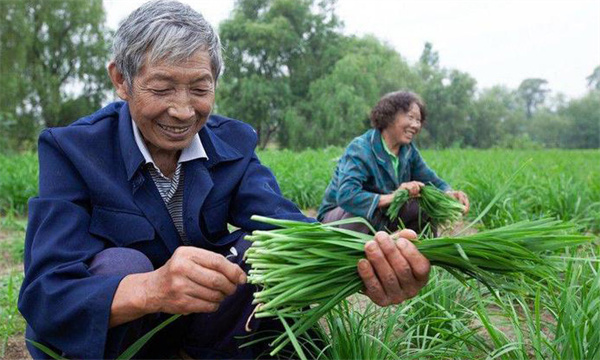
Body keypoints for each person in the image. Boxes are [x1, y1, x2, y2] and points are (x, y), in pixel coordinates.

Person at [18, 2, 431, 359]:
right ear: (121, 80)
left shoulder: (230, 143)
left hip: (192, 324)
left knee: (256, 252)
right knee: (122, 265)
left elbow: (285, 226)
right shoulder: (73, 150)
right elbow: (45, 295)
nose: (182, 111)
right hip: (112, 338)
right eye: (161, 88)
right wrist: (150, 288)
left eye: (200, 88)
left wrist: (363, 259)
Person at [318, 91, 470, 234]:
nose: (416, 125)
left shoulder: (408, 151)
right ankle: (355, 257)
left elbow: (431, 180)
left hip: (380, 216)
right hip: (339, 217)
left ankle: (421, 255)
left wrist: (450, 194)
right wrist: (397, 196)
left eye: (418, 120)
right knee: (360, 214)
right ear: (389, 117)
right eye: (410, 118)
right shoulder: (361, 148)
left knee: (424, 207)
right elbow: (346, 196)